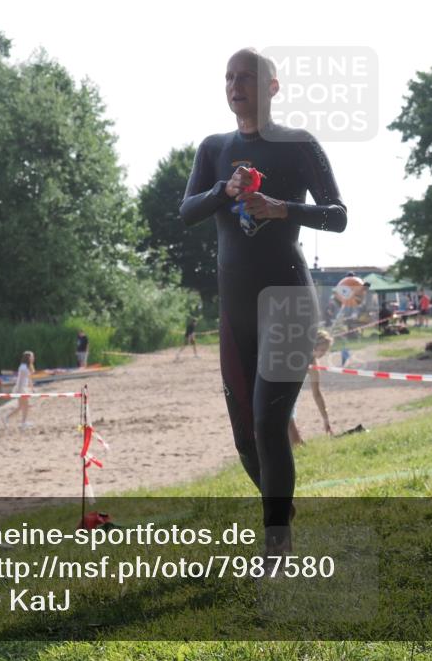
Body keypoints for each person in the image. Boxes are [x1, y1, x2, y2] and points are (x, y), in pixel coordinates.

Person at [179, 47, 346, 558]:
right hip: (237, 313)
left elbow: (337, 215)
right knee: (246, 438)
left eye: (246, 77)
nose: (235, 86)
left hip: (288, 302)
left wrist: (282, 208)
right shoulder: (213, 148)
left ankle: (278, 546)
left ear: (272, 87)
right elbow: (186, 210)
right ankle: (282, 506)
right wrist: (223, 193)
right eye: (229, 78)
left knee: (270, 422)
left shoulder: (299, 146)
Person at [288, 329, 335, 445]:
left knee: (295, 442)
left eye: (326, 350)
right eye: (323, 350)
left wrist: (325, 419)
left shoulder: (313, 364)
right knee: (294, 440)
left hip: (291, 399)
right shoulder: (293, 354)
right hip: (281, 395)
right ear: (314, 346)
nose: (324, 353)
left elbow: (317, 394)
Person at [6, 351, 36, 429]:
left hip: (23, 389)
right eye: (32, 357)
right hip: (21, 389)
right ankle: (23, 423)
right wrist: (20, 391)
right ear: (28, 358)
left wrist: (32, 388)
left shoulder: (27, 366)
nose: (33, 358)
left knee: (20, 407)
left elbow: (29, 379)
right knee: (25, 406)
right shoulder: (23, 367)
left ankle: (7, 417)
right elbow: (20, 381)